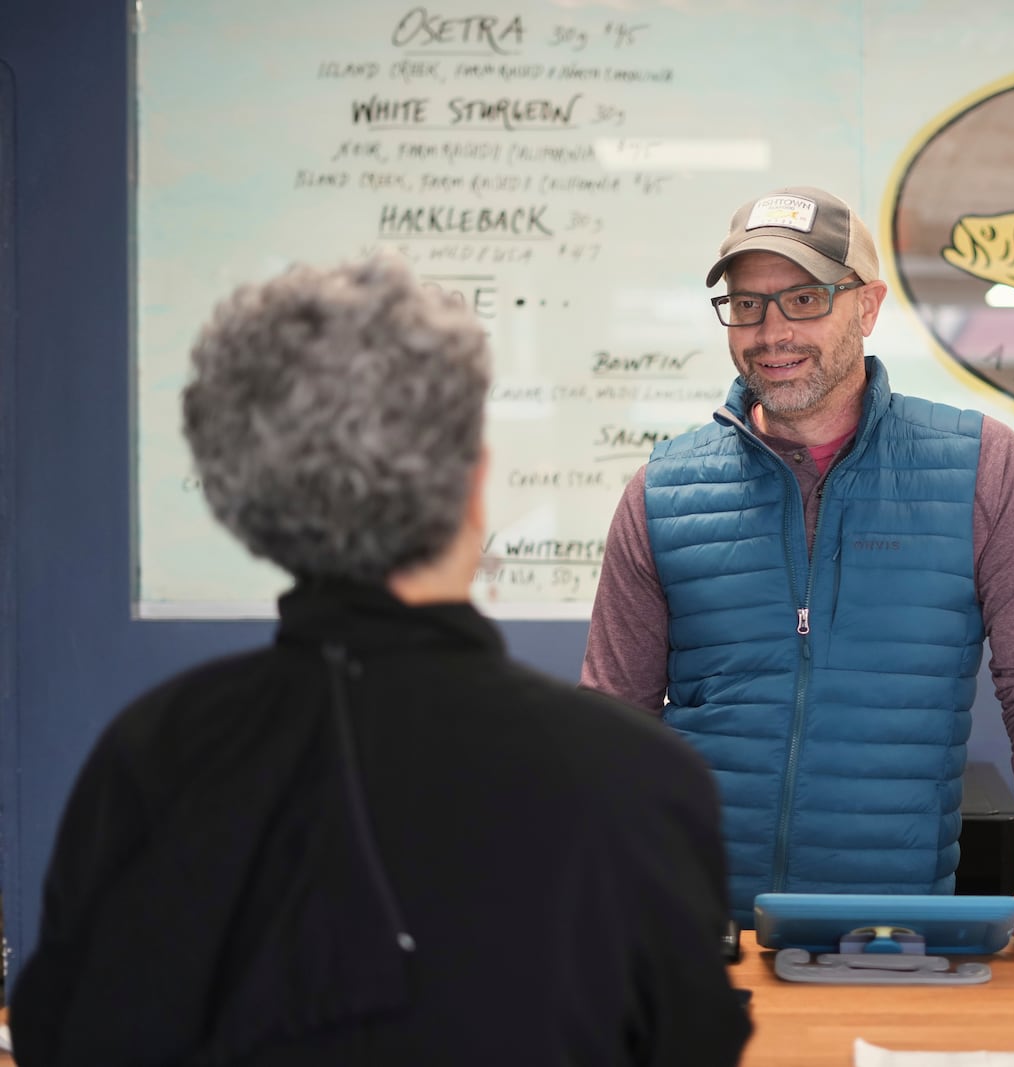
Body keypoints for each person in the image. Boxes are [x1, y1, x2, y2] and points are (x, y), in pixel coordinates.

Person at [10, 256, 751, 1065]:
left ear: (249, 497)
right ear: (473, 488)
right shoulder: (635, 777)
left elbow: (60, 1031)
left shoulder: (154, 753)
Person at [581, 186, 1014, 957]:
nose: (772, 331)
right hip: (703, 938)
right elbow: (611, 726)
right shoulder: (662, 490)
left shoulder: (982, 466)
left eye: (804, 297)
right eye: (748, 304)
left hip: (899, 937)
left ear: (868, 305)